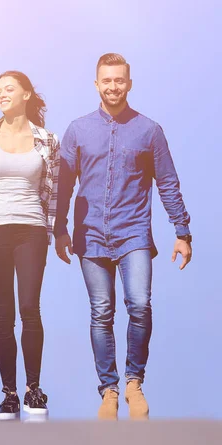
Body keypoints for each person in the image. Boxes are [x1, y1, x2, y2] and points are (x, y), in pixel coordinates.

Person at [55, 53, 192, 420]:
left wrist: (182, 232)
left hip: (133, 234)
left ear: (129, 84)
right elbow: (63, 184)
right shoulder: (78, 130)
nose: (113, 86)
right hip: (90, 235)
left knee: (140, 304)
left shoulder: (149, 130)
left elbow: (167, 182)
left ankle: (134, 382)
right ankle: (109, 390)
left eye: (119, 80)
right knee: (101, 312)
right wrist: (59, 229)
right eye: (106, 80)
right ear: (96, 84)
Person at [0, 71, 60, 420]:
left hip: (31, 231)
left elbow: (52, 191)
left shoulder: (47, 140)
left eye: (9, 89)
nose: (2, 95)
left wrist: (49, 233)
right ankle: (9, 394)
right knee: (2, 316)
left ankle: (34, 390)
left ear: (26, 94)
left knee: (30, 308)